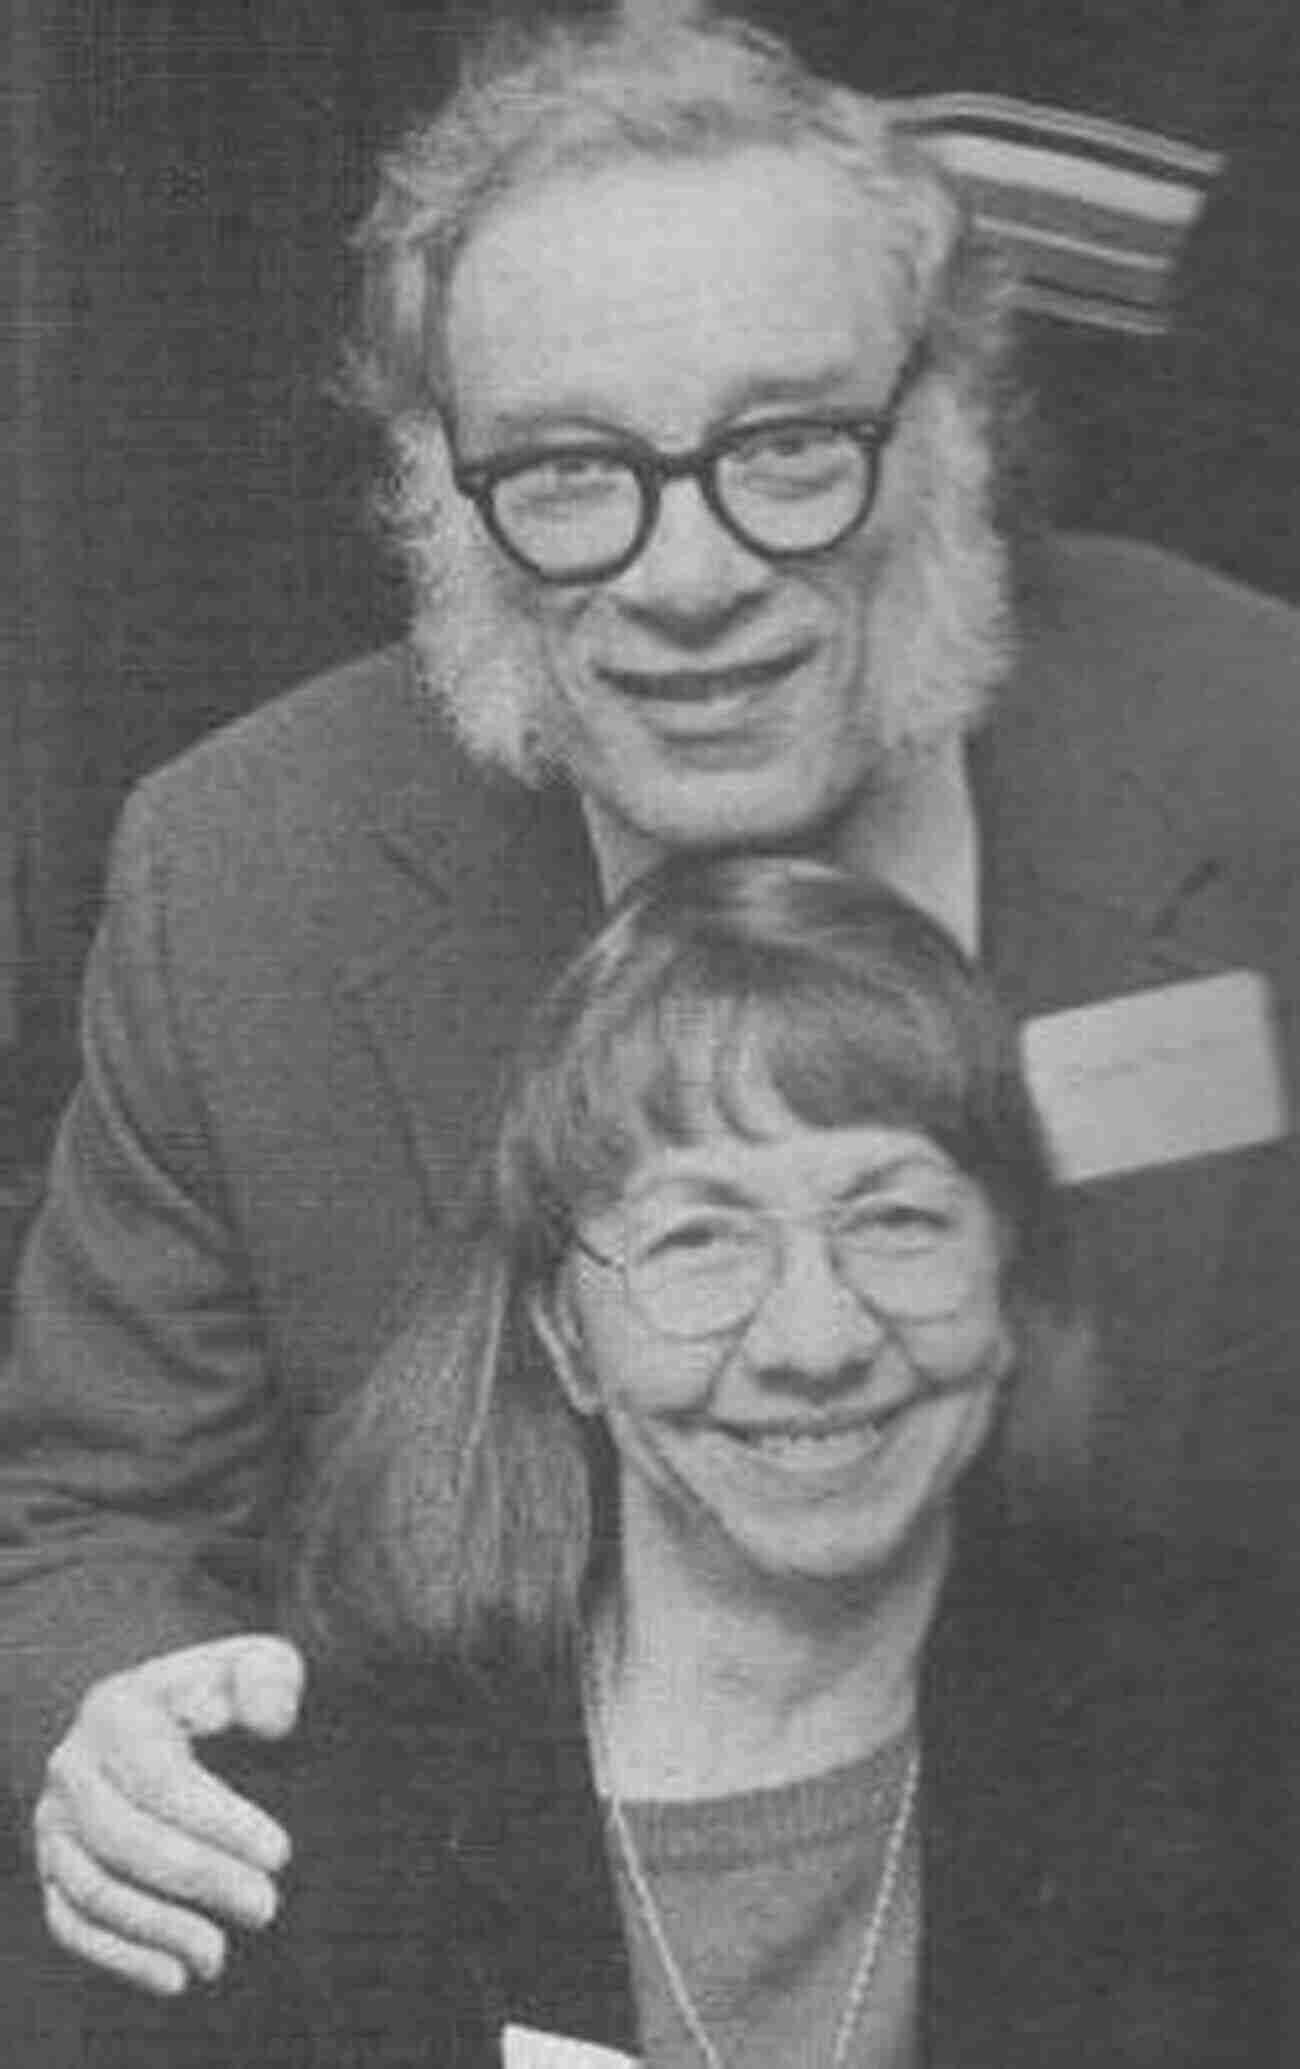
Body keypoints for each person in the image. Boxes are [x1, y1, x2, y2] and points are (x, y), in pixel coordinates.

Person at [5, 2, 1300, 2019]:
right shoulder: (247, 875)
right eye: (570, 471)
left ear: (944, 423)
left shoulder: (1250, 753)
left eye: (785, 445)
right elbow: (79, 1510)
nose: (686, 572)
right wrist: (117, 1722)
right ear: (441, 495)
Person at [68, 855, 1284, 2066]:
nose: (817, 1339)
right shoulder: (298, 1829)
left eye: (897, 1219)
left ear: (1010, 1282)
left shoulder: (1232, 1734)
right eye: (700, 1238)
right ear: (566, 1338)